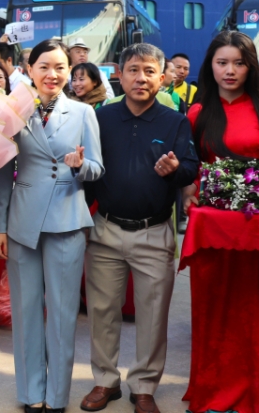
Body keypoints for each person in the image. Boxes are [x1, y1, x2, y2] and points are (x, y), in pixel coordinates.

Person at [180, 31, 259, 413]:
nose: (230, 70)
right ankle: (213, 393)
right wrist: (189, 188)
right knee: (213, 312)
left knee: (258, 312)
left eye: (238, 62)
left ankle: (257, 394)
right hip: (213, 234)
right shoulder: (198, 115)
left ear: (252, 67)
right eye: (222, 62)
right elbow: (191, 168)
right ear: (211, 66)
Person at [81, 44, 199, 413]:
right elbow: (87, 172)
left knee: (153, 313)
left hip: (154, 231)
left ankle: (144, 385)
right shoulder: (101, 118)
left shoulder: (175, 121)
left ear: (162, 78)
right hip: (105, 229)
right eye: (134, 70)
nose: (141, 78)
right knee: (102, 311)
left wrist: (175, 170)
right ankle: (105, 381)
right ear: (119, 73)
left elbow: (190, 169)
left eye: (150, 71)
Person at [0, 38, 104, 413]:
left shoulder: (84, 113)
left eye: (60, 67)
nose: (52, 74)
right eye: (44, 67)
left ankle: (57, 398)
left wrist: (78, 165)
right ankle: (31, 395)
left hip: (68, 220)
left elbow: (97, 169)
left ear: (69, 71)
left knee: (61, 314)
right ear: (29, 70)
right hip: (22, 222)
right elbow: (3, 175)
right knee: (25, 314)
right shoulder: (15, 111)